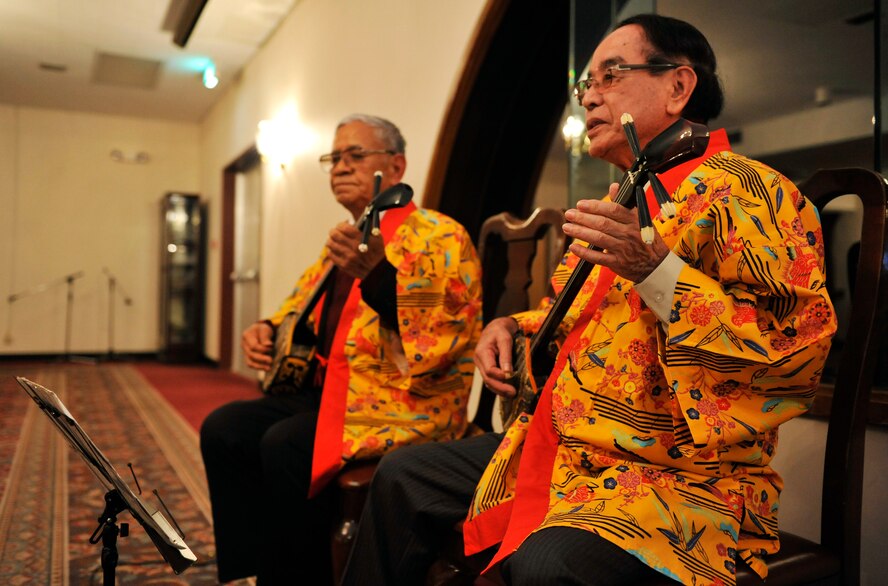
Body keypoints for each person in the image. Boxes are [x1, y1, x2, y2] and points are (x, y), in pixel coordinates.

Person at [342, 15, 836, 586]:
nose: (589, 99)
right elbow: (588, 321)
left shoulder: (748, 189)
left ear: (679, 87)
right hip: (569, 445)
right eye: (586, 85)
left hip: (674, 476)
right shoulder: (625, 196)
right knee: (403, 476)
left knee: (547, 565)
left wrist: (658, 272)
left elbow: (793, 352)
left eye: (611, 76)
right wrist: (509, 326)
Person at [200, 114, 483, 584]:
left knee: (285, 444)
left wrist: (375, 273)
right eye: (334, 157)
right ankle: (262, 565)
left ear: (397, 167)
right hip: (333, 389)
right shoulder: (347, 235)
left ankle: (304, 577)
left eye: (355, 155)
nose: (340, 167)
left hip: (401, 402)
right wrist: (264, 329)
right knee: (225, 428)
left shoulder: (439, 235)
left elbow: (441, 334)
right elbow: (297, 306)